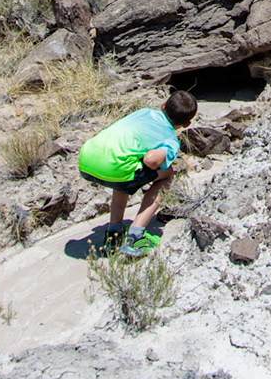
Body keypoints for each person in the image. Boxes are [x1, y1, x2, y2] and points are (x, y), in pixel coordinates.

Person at [77, 89, 197, 256]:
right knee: (168, 174)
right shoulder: (171, 141)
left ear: (163, 105)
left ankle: (114, 234)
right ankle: (135, 237)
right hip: (116, 169)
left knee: (126, 169)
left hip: (87, 159)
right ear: (187, 124)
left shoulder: (144, 112)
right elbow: (151, 160)